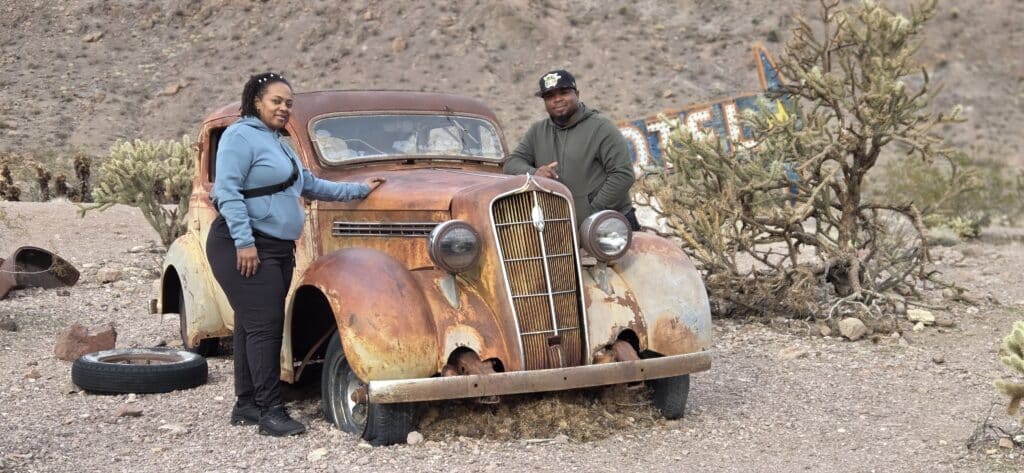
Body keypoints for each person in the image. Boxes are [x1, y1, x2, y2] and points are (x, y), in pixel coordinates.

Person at [206, 72, 384, 437]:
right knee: (266, 327)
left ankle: (246, 405)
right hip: (245, 245)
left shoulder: (280, 143)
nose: (284, 108)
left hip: (275, 248)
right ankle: (271, 412)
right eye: (277, 101)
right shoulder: (240, 136)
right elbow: (227, 192)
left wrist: (358, 191)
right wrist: (244, 242)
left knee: (250, 326)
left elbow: (310, 184)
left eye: (289, 103)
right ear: (257, 101)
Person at [503, 69, 639, 230]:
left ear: (577, 94)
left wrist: (592, 212)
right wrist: (534, 173)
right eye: (550, 96)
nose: (557, 99)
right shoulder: (537, 131)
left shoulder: (601, 127)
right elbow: (511, 164)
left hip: (609, 227)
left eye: (564, 92)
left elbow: (623, 175)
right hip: (562, 230)